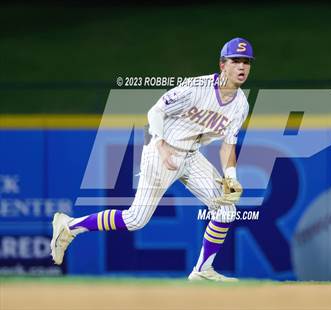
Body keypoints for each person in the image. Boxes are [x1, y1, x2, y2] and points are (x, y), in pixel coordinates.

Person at [50, 37, 253, 281]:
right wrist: (160, 144)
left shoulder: (240, 103)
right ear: (222, 65)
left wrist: (231, 177)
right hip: (161, 151)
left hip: (191, 156)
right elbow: (155, 111)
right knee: (136, 219)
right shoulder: (197, 88)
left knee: (226, 209)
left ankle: (202, 270)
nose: (242, 66)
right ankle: (70, 225)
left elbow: (228, 144)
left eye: (246, 61)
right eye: (235, 60)